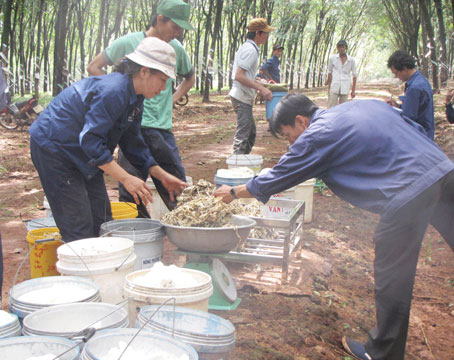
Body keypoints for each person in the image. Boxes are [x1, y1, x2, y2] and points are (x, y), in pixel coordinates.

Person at [214, 93, 454, 360]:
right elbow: (414, 126)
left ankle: (384, 352)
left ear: (301, 120)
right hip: (442, 169)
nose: (290, 143)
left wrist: (234, 192)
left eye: (287, 135)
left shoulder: (317, 134)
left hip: (409, 191)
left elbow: (280, 175)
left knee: (393, 274)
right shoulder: (361, 105)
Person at [30, 38, 188, 242]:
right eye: (163, 79)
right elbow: (90, 140)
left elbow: (132, 142)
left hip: (85, 154)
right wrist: (125, 177)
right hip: (55, 149)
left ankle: (102, 267)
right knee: (79, 227)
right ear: (144, 71)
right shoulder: (113, 91)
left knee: (103, 221)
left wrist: (160, 174)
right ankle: (83, 269)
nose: (165, 88)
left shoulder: (136, 98)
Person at [87, 0, 194, 214]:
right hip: (128, 125)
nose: (177, 34)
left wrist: (171, 100)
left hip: (159, 126)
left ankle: (188, 230)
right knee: (132, 191)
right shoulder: (129, 42)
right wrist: (119, 94)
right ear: (160, 19)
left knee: (175, 183)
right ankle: (139, 233)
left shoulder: (175, 49)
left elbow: (189, 78)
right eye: (175, 27)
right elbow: (94, 66)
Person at [229, 18, 274, 154]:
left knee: (251, 133)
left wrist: (259, 81)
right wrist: (261, 88)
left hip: (243, 95)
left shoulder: (248, 47)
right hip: (241, 97)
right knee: (244, 134)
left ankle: (243, 161)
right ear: (257, 33)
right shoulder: (251, 51)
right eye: (265, 33)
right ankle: (236, 167)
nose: (267, 36)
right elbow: (239, 76)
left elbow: (245, 75)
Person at [386, 50, 434, 140]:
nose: (396, 77)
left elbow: (408, 117)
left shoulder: (414, 88)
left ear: (405, 69)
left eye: (396, 73)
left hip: (419, 136)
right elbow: (416, 109)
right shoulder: (421, 80)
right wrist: (398, 106)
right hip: (425, 133)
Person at [326, 40, 357, 108]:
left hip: (345, 87)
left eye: (343, 46)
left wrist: (353, 91)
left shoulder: (351, 60)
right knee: (331, 107)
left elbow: (354, 76)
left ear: (345, 48)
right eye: (339, 47)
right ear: (337, 48)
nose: (341, 49)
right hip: (334, 86)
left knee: (343, 109)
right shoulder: (332, 58)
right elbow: (329, 73)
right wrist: (329, 88)